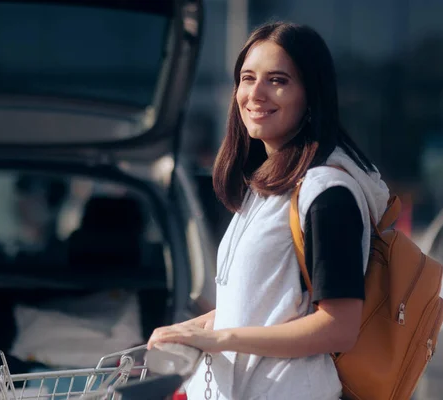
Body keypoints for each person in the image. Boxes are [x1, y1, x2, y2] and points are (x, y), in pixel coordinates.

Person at [146, 21, 390, 400]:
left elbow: (338, 327)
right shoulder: (267, 189)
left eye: (277, 80)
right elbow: (259, 309)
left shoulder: (328, 192)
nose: (255, 93)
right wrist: (188, 331)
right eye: (247, 77)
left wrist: (221, 338)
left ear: (312, 95)